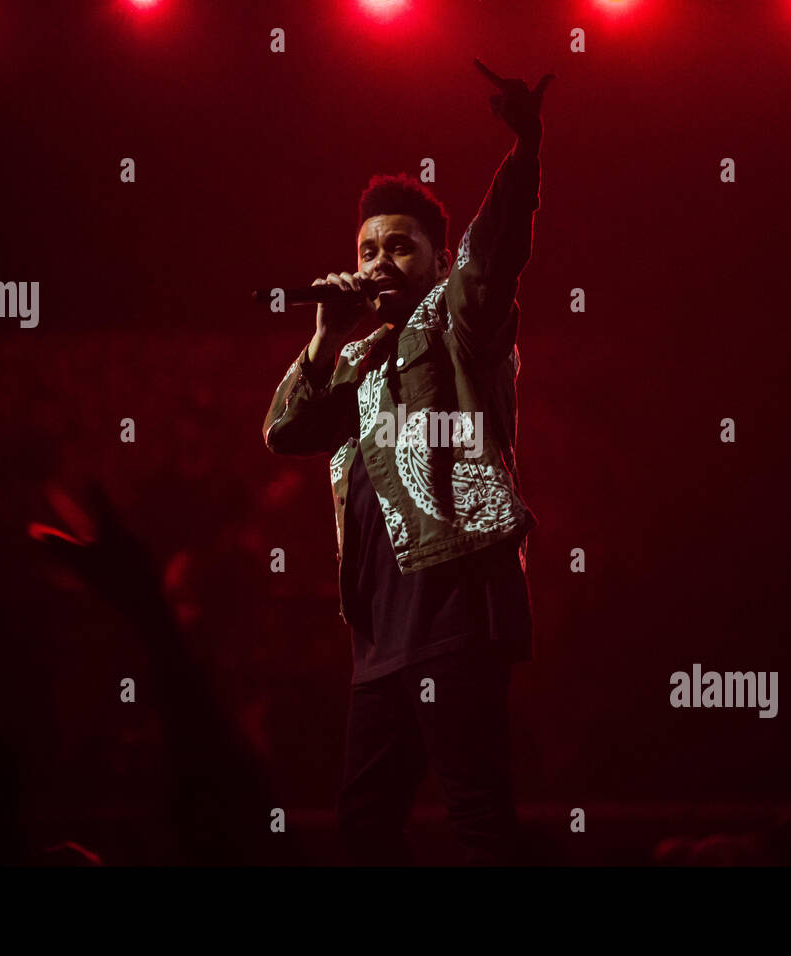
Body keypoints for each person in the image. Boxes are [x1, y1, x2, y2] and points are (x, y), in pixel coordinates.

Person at [263, 58, 554, 865]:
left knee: (478, 816)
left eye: (400, 247)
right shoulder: (355, 359)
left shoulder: (460, 325)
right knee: (364, 829)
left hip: (455, 613)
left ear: (436, 259)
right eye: (367, 247)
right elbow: (285, 431)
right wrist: (323, 335)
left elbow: (494, 253)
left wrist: (524, 147)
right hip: (379, 634)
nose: (379, 260)